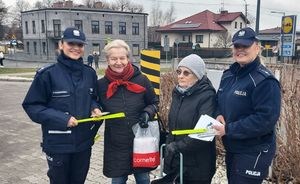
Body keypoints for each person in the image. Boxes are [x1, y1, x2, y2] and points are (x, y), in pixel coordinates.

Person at [22, 27, 102, 184]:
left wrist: (95, 107)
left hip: (84, 144)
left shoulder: (89, 74)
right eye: (71, 43)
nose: (76, 48)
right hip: (58, 144)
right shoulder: (47, 74)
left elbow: (94, 98)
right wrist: (62, 118)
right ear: (61, 45)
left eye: (80, 45)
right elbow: (32, 106)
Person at [212, 27, 281, 184]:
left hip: (254, 151)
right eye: (237, 46)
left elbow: (265, 120)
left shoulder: (265, 81)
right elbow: (219, 101)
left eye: (246, 46)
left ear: (257, 48)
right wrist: (218, 114)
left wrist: (228, 129)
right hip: (232, 147)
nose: (240, 50)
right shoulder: (228, 75)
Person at [96, 39, 159, 184]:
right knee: (118, 180)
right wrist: (96, 109)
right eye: (114, 58)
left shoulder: (142, 79)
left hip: (141, 141)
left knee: (143, 179)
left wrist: (147, 113)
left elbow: (155, 102)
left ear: (128, 58)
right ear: (107, 60)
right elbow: (95, 103)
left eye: (122, 58)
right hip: (116, 143)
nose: (118, 62)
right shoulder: (101, 84)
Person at [152, 54, 217, 184]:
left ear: (197, 76)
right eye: (179, 71)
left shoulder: (208, 96)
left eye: (186, 73)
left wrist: (178, 146)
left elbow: (205, 132)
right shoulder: (178, 93)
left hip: (197, 165)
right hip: (178, 160)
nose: (180, 76)